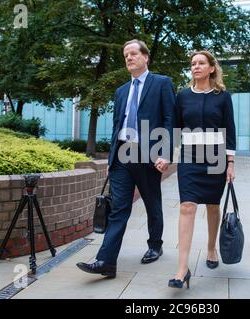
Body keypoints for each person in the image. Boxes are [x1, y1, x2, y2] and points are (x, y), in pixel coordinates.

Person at [76, 39, 176, 278]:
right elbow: (116, 127)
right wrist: (111, 161)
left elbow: (170, 121)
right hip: (122, 155)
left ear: (145, 57)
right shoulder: (121, 91)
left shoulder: (161, 83)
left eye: (133, 54)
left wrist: (165, 154)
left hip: (148, 154)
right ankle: (106, 261)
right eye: (125, 56)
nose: (129, 58)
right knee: (118, 209)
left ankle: (155, 245)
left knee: (152, 203)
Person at [168, 51, 236, 289]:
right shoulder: (183, 96)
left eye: (201, 63)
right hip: (189, 157)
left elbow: (230, 130)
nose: (195, 67)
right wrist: (169, 155)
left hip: (215, 157)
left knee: (213, 205)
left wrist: (230, 163)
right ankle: (182, 269)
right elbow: (176, 128)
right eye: (193, 64)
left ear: (211, 68)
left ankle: (211, 247)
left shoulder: (223, 97)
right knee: (187, 206)